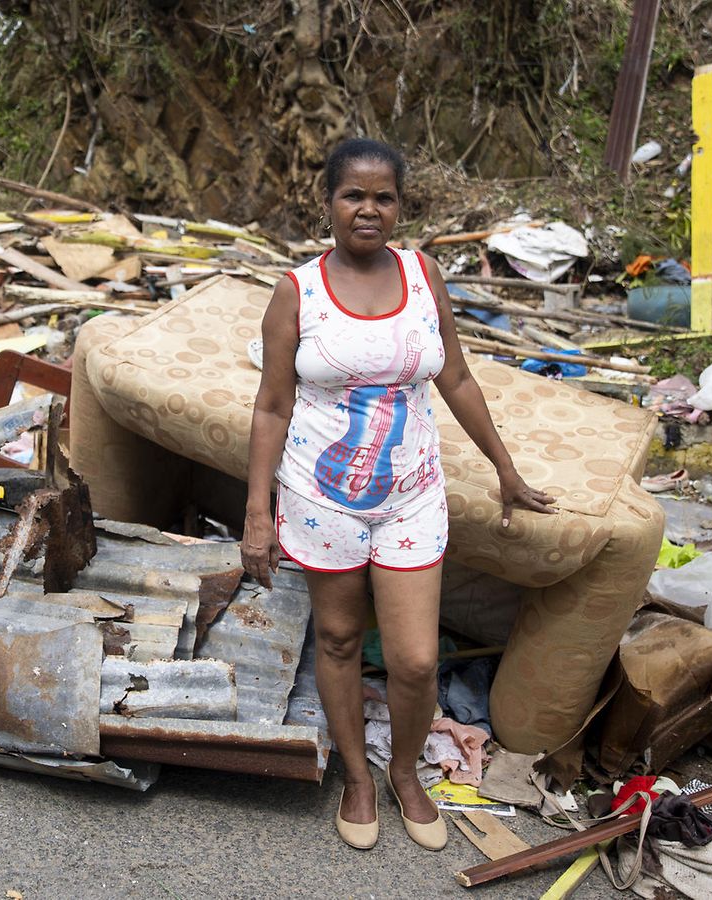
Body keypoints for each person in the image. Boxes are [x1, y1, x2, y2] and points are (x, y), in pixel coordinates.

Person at [241, 138, 555, 851]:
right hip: (320, 497)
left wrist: (505, 469)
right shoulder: (298, 291)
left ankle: (405, 772)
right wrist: (258, 513)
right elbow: (270, 406)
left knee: (414, 659)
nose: (368, 209)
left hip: (412, 493)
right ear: (328, 202)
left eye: (384, 197)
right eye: (353, 195)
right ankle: (357, 777)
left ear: (400, 206)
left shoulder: (424, 275)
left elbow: (458, 379)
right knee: (341, 636)